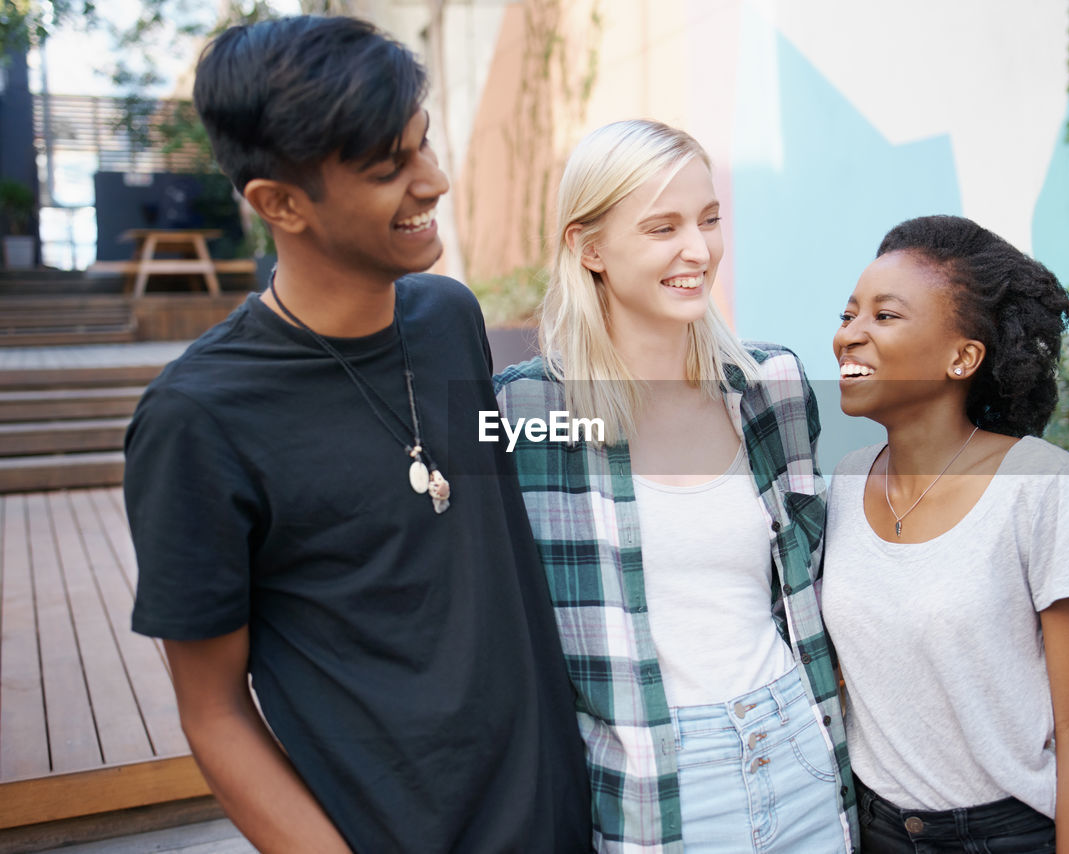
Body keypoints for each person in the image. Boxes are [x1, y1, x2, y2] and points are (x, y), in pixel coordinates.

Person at [125, 16, 590, 853]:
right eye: (390, 168)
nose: (435, 180)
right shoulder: (197, 420)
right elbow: (214, 712)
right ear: (279, 203)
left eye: (424, 145)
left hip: (561, 821)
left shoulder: (449, 316)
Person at [493, 119, 856, 852]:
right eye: (663, 227)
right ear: (588, 248)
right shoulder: (526, 413)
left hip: (801, 747)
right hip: (649, 783)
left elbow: (804, 582)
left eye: (710, 219)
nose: (699, 250)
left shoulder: (771, 386)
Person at [822, 215, 1069, 853]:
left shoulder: (1043, 486)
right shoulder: (844, 485)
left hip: (1001, 836)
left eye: (885, 316)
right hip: (869, 829)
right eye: (849, 315)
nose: (850, 336)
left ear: (963, 356)